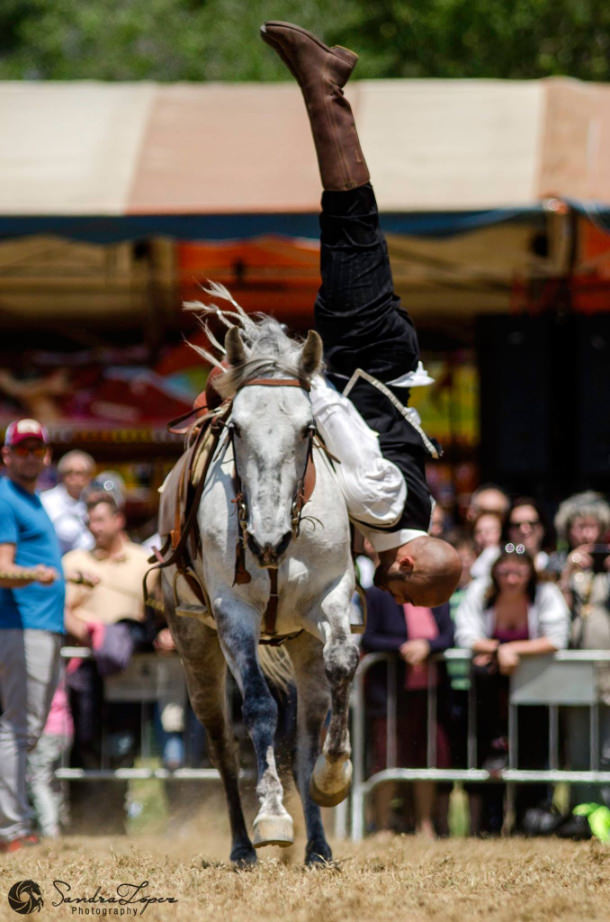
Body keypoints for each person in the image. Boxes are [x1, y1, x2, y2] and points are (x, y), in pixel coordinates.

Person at [260, 21, 461, 608]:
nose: (392, 596)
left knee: (350, 230)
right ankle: (324, 87)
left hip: (378, 357)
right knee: (351, 226)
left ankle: (321, 85)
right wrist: (305, 376)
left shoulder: (407, 514)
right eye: (402, 591)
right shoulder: (383, 509)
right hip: (363, 356)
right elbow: (343, 424)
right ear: (405, 563)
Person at [455, 547, 570, 833]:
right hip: (489, 701)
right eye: (505, 572)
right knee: (489, 757)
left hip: (536, 691)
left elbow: (556, 638)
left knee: (534, 754)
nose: (511, 579)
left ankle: (528, 821)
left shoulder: (545, 593)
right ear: (495, 573)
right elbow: (466, 634)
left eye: (518, 572)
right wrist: (497, 649)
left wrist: (511, 650)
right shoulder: (481, 592)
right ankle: (488, 824)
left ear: (530, 573)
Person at [62, 493, 153, 833]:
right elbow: (62, 608)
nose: (93, 528)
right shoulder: (73, 562)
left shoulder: (144, 562)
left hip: (131, 671)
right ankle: (84, 822)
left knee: (123, 746)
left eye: (100, 520)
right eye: (89, 522)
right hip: (84, 669)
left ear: (119, 520)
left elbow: (155, 610)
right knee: (85, 743)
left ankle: (115, 821)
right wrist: (93, 637)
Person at [0, 418, 65, 853]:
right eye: (22, 449)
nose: (30, 456)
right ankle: (11, 830)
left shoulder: (30, 499)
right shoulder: (7, 499)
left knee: (23, 730)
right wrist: (35, 574)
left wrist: (64, 575)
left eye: (36, 449)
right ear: (6, 455)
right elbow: (2, 570)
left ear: (47, 455)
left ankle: (13, 823)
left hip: (37, 625)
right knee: (17, 731)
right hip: (22, 626)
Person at [361, 586, 453, 837]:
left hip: (429, 694)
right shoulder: (377, 594)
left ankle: (425, 823)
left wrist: (427, 646)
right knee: (386, 756)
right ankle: (382, 825)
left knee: (427, 756)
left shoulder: (436, 593)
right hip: (389, 694)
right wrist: (404, 647)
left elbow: (448, 635)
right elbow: (368, 637)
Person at [554, 491, 610, 812]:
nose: (586, 534)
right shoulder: (557, 565)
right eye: (579, 526)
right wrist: (566, 576)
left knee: (607, 749)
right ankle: (581, 812)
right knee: (578, 747)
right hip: (575, 673)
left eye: (592, 526)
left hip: (608, 671)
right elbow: (555, 617)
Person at [41, 449, 96, 554]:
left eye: (79, 473)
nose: (73, 477)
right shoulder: (47, 501)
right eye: (68, 472)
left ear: (89, 477)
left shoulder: (92, 501)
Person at [503, 497, 552, 574]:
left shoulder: (555, 565)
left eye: (532, 524)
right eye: (517, 525)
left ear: (542, 528)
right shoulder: (497, 566)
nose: (524, 530)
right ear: (508, 531)